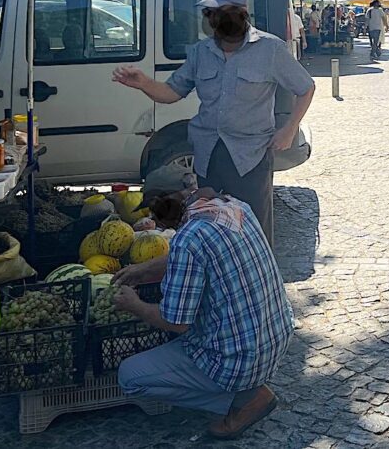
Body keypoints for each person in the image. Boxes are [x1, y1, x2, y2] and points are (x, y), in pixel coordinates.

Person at [112, 0, 315, 243]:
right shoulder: (201, 52)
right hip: (208, 155)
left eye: (219, 12)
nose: (212, 19)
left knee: (253, 233)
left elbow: (306, 87)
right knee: (212, 228)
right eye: (210, 14)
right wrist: (143, 83)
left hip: (250, 157)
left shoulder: (270, 49)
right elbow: (172, 92)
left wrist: (289, 129)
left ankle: (254, 282)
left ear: (240, 13)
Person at [115, 184, 293, 439]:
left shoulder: (188, 238)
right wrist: (143, 270)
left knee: (130, 377)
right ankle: (248, 389)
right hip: (274, 337)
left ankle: (243, 400)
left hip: (237, 357)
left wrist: (135, 305)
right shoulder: (235, 207)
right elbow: (200, 253)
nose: (154, 221)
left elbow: (175, 322)